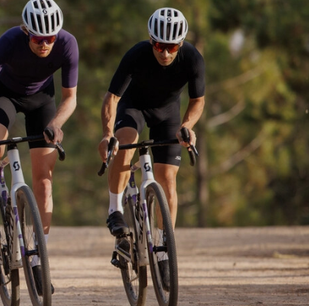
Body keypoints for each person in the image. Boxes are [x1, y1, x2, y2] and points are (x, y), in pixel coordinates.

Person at [0, 0, 78, 293]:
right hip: (5, 96)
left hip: (42, 100)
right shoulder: (9, 41)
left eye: (50, 39)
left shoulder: (67, 44)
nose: (45, 44)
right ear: (25, 31)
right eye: (38, 39)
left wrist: (56, 123)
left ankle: (39, 257)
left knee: (44, 181)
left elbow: (70, 98)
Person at [97, 7, 204, 289]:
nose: (165, 53)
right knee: (125, 143)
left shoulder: (192, 57)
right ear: (150, 40)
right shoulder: (136, 54)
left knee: (167, 177)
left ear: (180, 44)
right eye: (158, 45)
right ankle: (114, 209)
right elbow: (111, 98)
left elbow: (198, 100)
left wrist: (188, 126)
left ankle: (163, 244)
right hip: (134, 108)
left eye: (171, 47)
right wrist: (108, 134)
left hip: (168, 114)